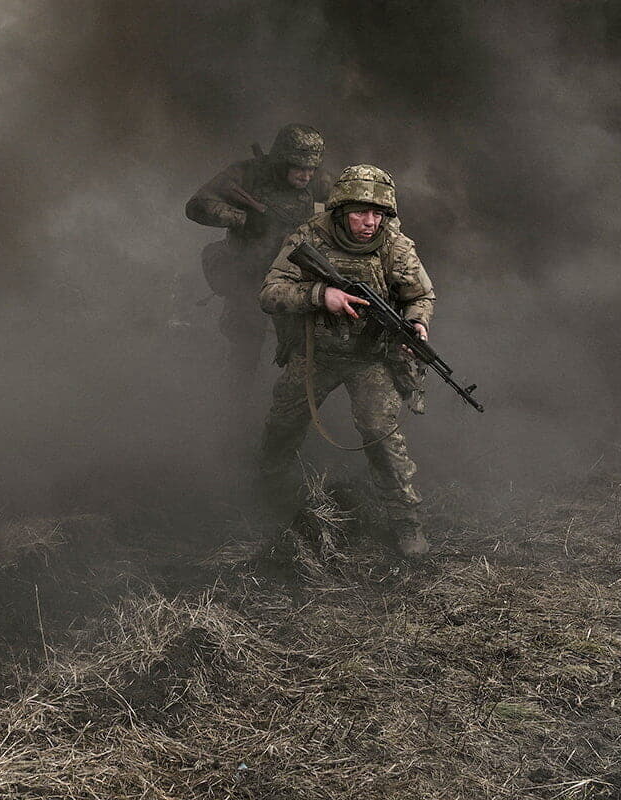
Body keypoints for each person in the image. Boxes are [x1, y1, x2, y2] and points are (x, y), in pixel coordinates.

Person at [257, 165, 435, 556]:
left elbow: (420, 296)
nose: (369, 223)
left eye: (378, 214)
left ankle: (407, 523)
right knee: (283, 423)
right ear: (339, 210)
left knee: (381, 434)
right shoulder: (310, 237)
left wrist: (416, 325)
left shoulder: (396, 246)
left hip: (370, 358)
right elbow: (270, 293)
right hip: (315, 353)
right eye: (359, 212)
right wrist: (321, 296)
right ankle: (268, 494)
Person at [185, 124, 330, 395]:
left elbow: (341, 215)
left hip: (292, 283)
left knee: (302, 355)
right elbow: (197, 205)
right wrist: (243, 219)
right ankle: (234, 417)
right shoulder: (248, 174)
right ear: (281, 159)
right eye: (299, 167)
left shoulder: (320, 182)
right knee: (243, 355)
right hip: (247, 279)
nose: (306, 174)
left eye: (312, 168)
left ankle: (286, 414)